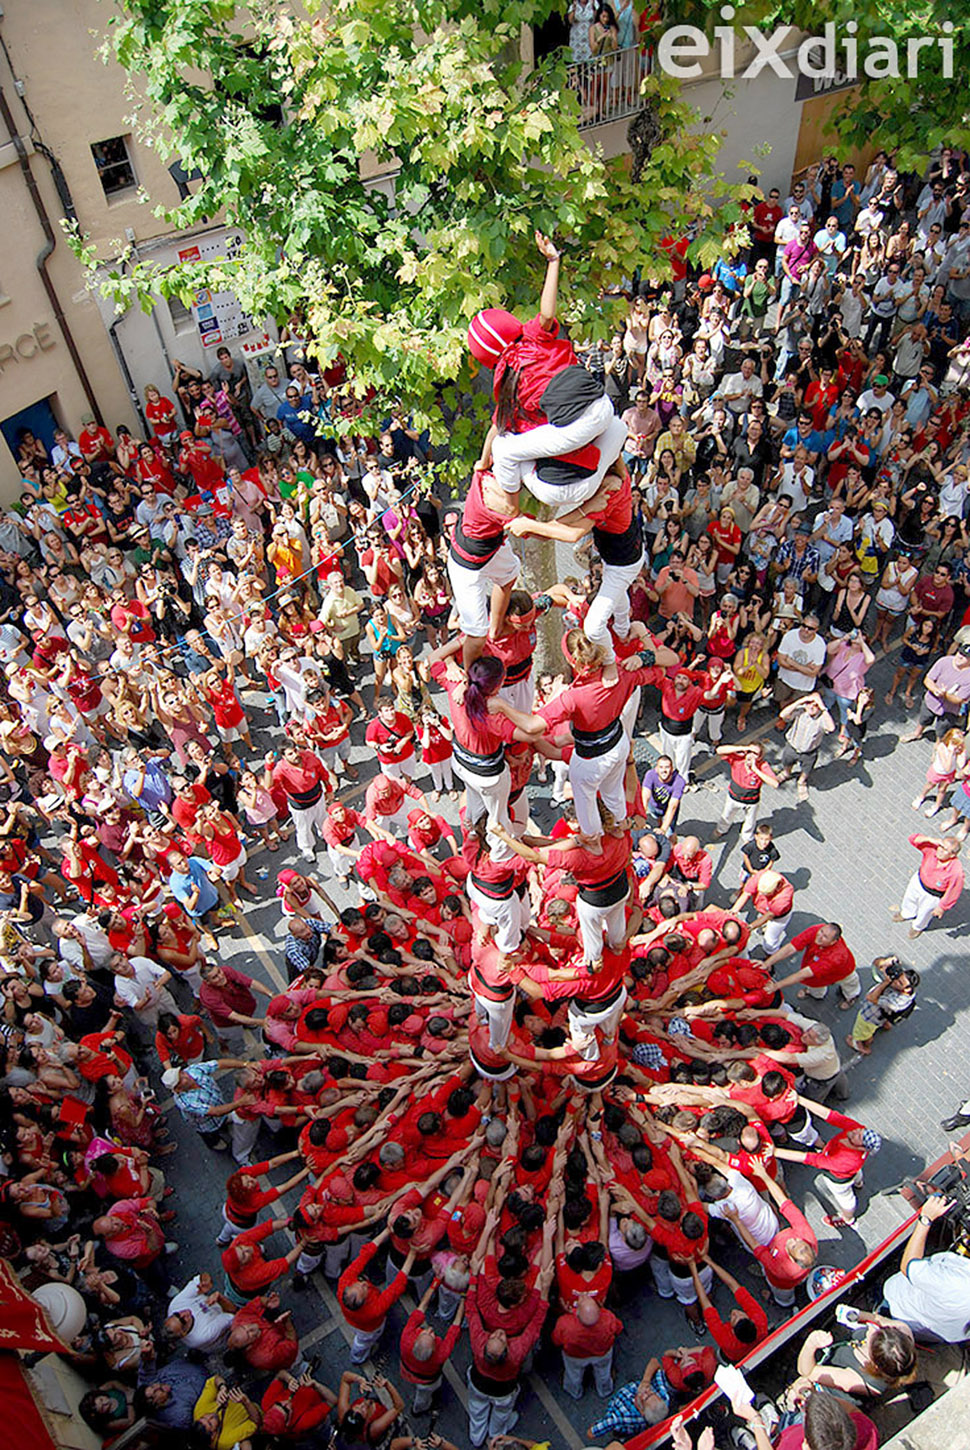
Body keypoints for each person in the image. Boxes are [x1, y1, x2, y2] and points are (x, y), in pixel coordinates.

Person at [891, 833, 965, 938]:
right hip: (918, 881)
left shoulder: (956, 871)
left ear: (952, 855)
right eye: (941, 846)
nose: (940, 850)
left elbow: (953, 891)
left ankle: (918, 927)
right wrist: (930, 839)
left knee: (925, 913)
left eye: (945, 850)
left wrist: (942, 907)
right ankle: (907, 913)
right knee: (909, 899)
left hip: (932, 895)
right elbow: (913, 839)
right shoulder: (932, 849)